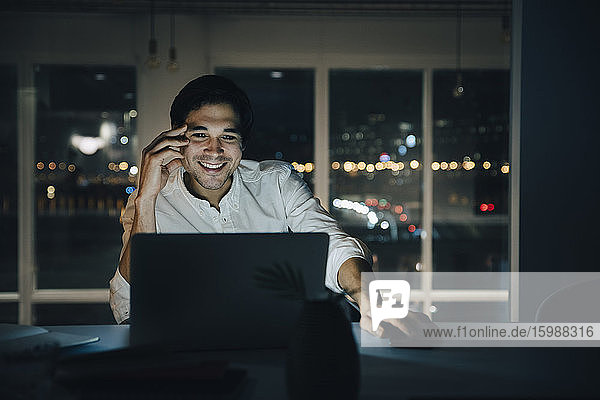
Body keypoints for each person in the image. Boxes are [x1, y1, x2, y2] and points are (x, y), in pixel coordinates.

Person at [109, 75, 430, 337]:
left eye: (228, 137)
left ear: (242, 145)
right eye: (200, 134)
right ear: (178, 139)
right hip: (182, 351)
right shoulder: (147, 201)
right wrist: (146, 197)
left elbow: (330, 243)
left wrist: (367, 295)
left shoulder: (276, 182)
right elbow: (128, 300)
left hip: (279, 345)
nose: (214, 150)